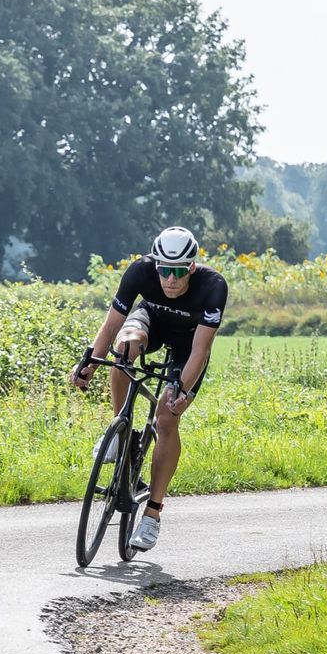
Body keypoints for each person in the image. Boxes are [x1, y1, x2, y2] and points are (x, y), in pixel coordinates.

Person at [69, 225, 228, 553]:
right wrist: (90, 363)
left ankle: (152, 514)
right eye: (164, 270)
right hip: (151, 322)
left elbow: (200, 350)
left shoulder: (213, 287)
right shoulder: (140, 271)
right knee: (123, 350)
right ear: (155, 264)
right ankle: (120, 431)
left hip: (189, 343)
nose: (170, 279)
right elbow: (112, 323)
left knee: (167, 417)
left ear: (192, 268)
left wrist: (181, 389)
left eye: (178, 271)